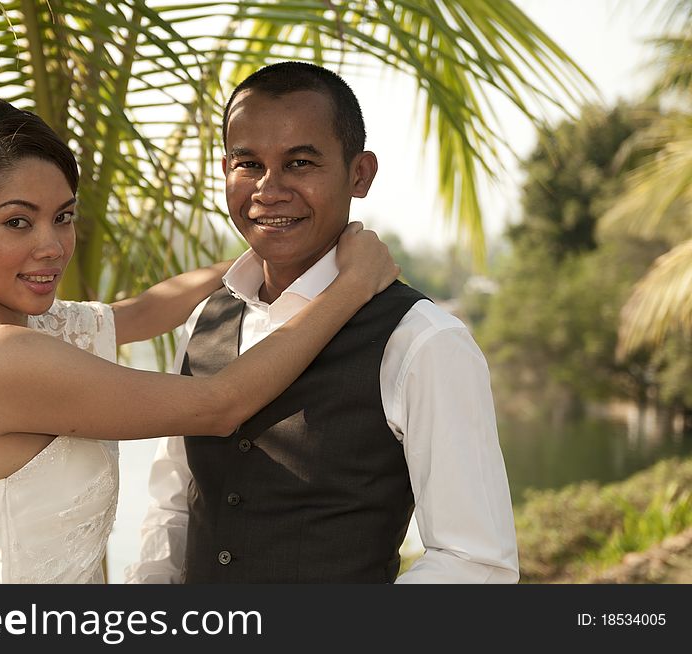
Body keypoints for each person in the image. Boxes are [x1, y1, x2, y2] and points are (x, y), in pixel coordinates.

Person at [0, 97, 398, 584]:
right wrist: (350, 285)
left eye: (62, 217)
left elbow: (146, 310)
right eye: (18, 223)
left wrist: (276, 252)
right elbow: (218, 406)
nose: (53, 247)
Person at [126, 62, 519, 584]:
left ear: (360, 174)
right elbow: (173, 506)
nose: (269, 189)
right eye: (248, 163)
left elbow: (474, 561)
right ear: (225, 170)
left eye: (301, 163)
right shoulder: (204, 319)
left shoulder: (423, 340)